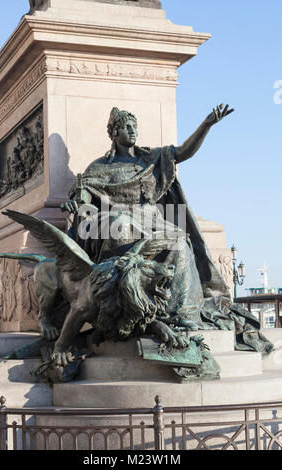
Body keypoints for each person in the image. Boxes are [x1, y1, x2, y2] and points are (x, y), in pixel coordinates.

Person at [61, 106, 273, 355]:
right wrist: (76, 203)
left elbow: (183, 152)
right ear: (114, 132)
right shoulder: (98, 167)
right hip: (117, 221)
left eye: (134, 126)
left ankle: (180, 315)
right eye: (126, 127)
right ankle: (123, 307)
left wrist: (206, 124)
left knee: (180, 242)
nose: (132, 131)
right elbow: (84, 193)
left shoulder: (151, 158)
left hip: (152, 222)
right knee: (121, 227)